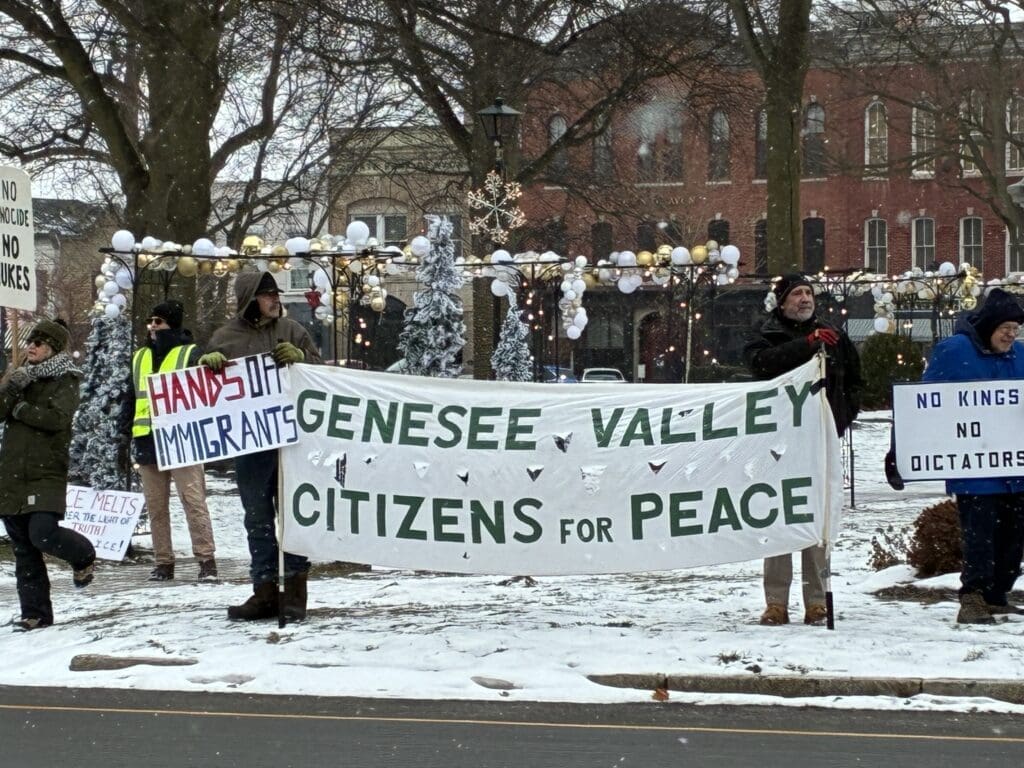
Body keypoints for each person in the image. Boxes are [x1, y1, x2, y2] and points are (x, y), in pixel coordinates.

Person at [200, 271, 322, 622]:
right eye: (267, 294)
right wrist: (206, 366)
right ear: (250, 298)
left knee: (292, 517)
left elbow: (321, 375)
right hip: (251, 445)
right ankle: (265, 591)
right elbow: (202, 394)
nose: (275, 300)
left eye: (276, 294)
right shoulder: (225, 338)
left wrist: (301, 357)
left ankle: (295, 594)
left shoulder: (292, 331)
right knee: (257, 519)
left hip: (292, 443)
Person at [744, 274, 862, 626]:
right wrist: (807, 345)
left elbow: (854, 383)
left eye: (809, 293)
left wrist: (836, 421)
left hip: (819, 442)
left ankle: (816, 600)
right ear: (782, 302)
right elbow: (762, 365)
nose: (804, 299)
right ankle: (776, 601)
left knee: (816, 518)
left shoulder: (835, 337)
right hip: (777, 444)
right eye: (797, 293)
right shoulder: (766, 335)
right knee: (779, 517)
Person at [921, 287, 1024, 624]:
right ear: (990, 325)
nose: (1011, 335)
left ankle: (996, 595)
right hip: (974, 469)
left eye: (1016, 329)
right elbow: (923, 404)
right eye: (1005, 328)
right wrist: (903, 450)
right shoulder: (954, 352)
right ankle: (973, 597)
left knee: (1013, 540)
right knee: (980, 536)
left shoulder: (1019, 355)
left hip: (1014, 468)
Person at [0, 319, 96, 631]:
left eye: (39, 343)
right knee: (24, 551)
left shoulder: (65, 379)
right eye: (30, 341)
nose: (31, 347)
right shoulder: (21, 379)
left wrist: (22, 410)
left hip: (45, 472)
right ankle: (35, 614)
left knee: (42, 533)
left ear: (52, 347)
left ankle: (83, 555)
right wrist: (11, 386)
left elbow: (58, 419)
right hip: (12, 474)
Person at [119, 300, 217, 582]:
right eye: (150, 321)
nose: (152, 326)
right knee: (156, 506)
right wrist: (124, 432)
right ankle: (164, 562)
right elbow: (131, 395)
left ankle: (206, 560)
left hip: (182, 439)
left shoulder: (190, 353)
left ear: (171, 324)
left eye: (158, 321)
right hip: (147, 439)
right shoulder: (140, 357)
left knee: (193, 500)